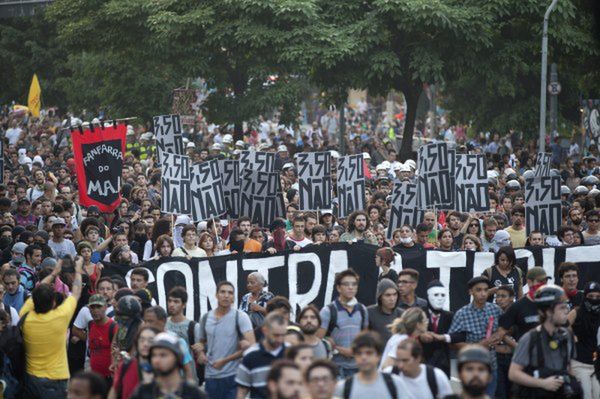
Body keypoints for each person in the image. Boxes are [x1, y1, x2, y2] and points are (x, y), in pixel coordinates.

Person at [20, 257, 84, 398]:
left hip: (31, 377)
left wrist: (54, 273)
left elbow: (39, 289)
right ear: (54, 302)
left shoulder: (25, 315)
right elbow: (76, 292)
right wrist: (78, 271)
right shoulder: (60, 317)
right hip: (57, 377)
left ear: (33, 301)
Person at [508, 285, 581, 399]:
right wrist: (542, 383)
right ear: (547, 312)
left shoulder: (568, 336)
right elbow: (513, 374)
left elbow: (568, 368)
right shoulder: (529, 338)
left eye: (566, 306)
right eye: (561, 308)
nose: (567, 311)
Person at [197, 281, 255, 399]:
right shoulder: (206, 317)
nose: (226, 295)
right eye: (222, 292)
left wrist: (225, 360)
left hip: (234, 376)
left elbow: (252, 347)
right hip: (210, 376)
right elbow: (201, 342)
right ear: (216, 295)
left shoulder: (241, 317)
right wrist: (201, 353)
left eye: (230, 293)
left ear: (233, 297)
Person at [448, 277, 502, 397]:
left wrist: (499, 335)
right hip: (469, 367)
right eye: (478, 290)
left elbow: (506, 328)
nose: (483, 294)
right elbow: (452, 342)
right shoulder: (462, 314)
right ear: (470, 292)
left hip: (490, 366)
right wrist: (476, 347)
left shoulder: (495, 310)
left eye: (486, 290)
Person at [317, 269, 369, 378]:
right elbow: (318, 340)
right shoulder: (328, 311)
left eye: (354, 284)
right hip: (336, 368)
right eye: (346, 284)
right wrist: (337, 348)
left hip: (358, 367)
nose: (351, 287)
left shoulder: (362, 310)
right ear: (338, 288)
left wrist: (356, 350)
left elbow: (364, 337)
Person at [130, 332, 206, 399]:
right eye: (154, 355)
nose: (157, 360)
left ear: (177, 358)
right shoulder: (143, 392)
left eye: (163, 355)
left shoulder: (194, 394)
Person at [334, 331, 405, 399]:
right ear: (355, 356)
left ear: (378, 355)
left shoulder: (395, 384)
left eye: (369, 353)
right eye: (359, 353)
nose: (363, 357)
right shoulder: (343, 387)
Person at [236, 312, 288, 399]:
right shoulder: (251, 355)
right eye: (276, 335)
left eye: (283, 335)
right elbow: (241, 390)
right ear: (265, 331)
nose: (279, 339)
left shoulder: (290, 352)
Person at [421, 280, 465, 377]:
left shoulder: (449, 316)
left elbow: (461, 335)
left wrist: (444, 337)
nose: (440, 298)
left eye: (442, 295)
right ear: (428, 296)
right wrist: (421, 335)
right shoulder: (420, 313)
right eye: (436, 295)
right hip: (423, 362)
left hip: (443, 364)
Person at [497, 266, 551, 343]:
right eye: (540, 281)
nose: (544, 284)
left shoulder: (552, 303)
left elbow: (564, 326)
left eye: (545, 281)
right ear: (529, 282)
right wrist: (517, 347)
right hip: (528, 352)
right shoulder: (518, 306)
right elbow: (501, 331)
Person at [386, 338, 452, 399]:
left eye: (405, 360)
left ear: (418, 358)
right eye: (398, 360)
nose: (400, 365)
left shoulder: (436, 376)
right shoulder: (388, 375)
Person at [567, 281, 600, 399]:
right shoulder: (576, 312)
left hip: (597, 365)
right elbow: (561, 328)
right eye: (591, 296)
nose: (594, 299)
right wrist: (571, 335)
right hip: (579, 363)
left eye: (597, 296)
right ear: (585, 296)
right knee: (586, 396)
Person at [108, 326, 160, 399]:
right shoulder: (126, 365)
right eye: (142, 340)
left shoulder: (162, 369)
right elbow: (114, 390)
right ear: (137, 343)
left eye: (150, 341)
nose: (145, 344)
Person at [86, 294, 118, 384]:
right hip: (94, 377)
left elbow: (116, 352)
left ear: (105, 307)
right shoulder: (90, 324)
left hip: (109, 378)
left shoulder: (113, 327)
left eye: (99, 306)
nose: (95, 310)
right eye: (92, 307)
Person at [493, 285, 517, 399]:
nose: (499, 299)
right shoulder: (492, 315)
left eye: (503, 296)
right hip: (497, 359)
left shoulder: (519, 314)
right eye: (497, 296)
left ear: (512, 298)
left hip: (515, 359)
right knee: (500, 394)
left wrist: (502, 335)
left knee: (514, 393)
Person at [367, 278, 402, 344]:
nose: (392, 299)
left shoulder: (402, 314)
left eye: (395, 294)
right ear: (380, 297)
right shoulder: (369, 312)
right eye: (388, 295)